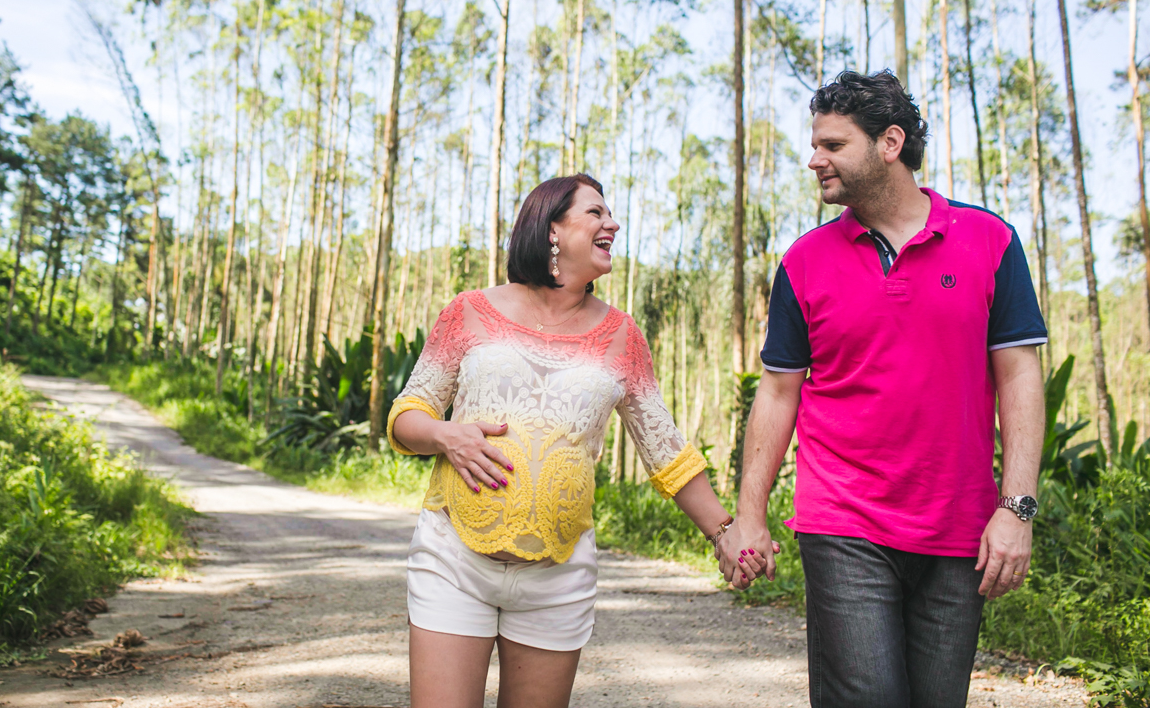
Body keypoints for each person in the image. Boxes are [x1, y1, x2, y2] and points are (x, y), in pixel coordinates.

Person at [716, 71, 1047, 708]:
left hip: (959, 528)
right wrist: (750, 515)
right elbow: (779, 392)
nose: (815, 160)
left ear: (889, 143)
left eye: (833, 145)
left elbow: (1020, 377)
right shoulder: (803, 261)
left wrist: (1018, 508)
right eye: (816, 145)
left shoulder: (991, 240)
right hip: (843, 522)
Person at [389, 174, 736, 708]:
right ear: (552, 228)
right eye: (596, 213)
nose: (612, 224)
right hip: (452, 560)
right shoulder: (469, 312)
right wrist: (445, 435)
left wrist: (725, 534)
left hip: (558, 579)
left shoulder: (622, 336)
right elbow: (406, 415)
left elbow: (665, 449)